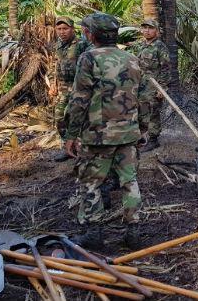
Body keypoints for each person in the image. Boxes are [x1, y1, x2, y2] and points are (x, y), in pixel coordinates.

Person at [64, 13, 150, 249]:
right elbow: (144, 97)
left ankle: (94, 233)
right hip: (128, 133)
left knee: (91, 182)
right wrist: (142, 128)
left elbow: (79, 99)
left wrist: (71, 134)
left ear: (90, 34)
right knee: (129, 181)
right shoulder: (132, 59)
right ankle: (134, 231)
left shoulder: (88, 58)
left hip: (98, 135)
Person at [50, 17, 88, 162]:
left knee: (78, 118)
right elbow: (55, 65)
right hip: (63, 88)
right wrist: (53, 84)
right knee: (59, 118)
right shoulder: (58, 45)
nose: (62, 32)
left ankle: (82, 150)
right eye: (59, 29)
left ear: (72, 29)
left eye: (65, 29)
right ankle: (68, 148)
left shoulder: (82, 44)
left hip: (79, 88)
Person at [132, 19, 170, 152]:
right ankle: (142, 137)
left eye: (150, 28)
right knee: (141, 112)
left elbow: (165, 68)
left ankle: (153, 139)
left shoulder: (160, 46)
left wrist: (162, 88)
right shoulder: (142, 45)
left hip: (154, 86)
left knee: (153, 112)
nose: (147, 31)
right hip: (141, 86)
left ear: (156, 31)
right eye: (144, 28)